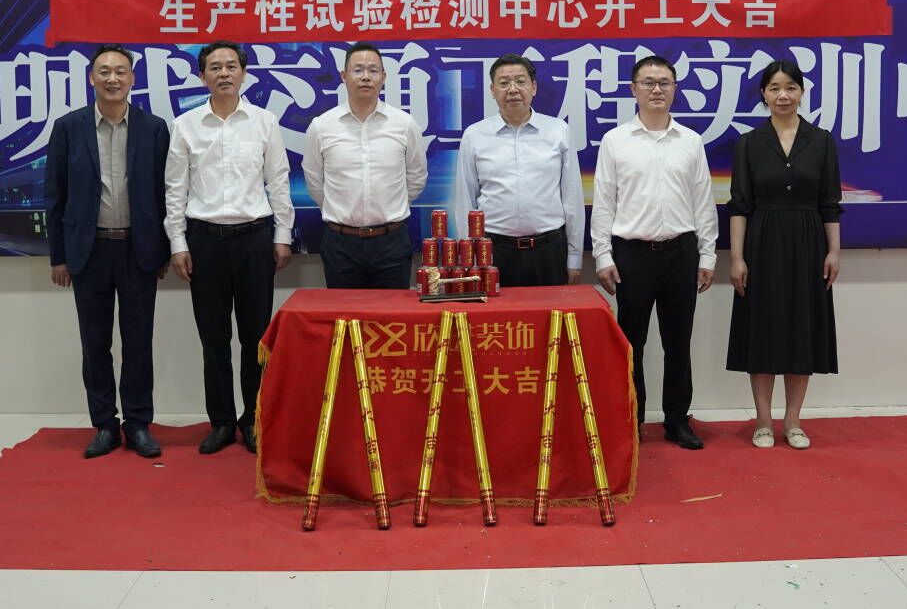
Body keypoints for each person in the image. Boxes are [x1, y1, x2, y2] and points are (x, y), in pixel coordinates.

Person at [164, 40, 295, 455]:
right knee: (214, 338)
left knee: (256, 338)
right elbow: (175, 190)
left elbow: (278, 181)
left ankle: (253, 419)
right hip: (204, 242)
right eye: (215, 67)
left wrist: (282, 235)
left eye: (231, 66)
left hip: (254, 239)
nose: (224, 73)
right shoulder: (185, 125)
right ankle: (221, 421)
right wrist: (178, 242)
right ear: (202, 75)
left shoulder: (264, 122)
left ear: (243, 73)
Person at [45, 44, 170, 459]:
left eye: (120, 71)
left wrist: (163, 250)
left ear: (132, 79)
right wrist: (58, 256)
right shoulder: (68, 128)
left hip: (138, 250)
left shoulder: (154, 128)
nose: (112, 78)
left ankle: (138, 423)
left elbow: (165, 194)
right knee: (94, 342)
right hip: (89, 251)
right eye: (104, 71)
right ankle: (103, 424)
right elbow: (55, 195)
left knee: (139, 342)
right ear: (91, 78)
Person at [591, 55, 717, 449]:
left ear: (675, 89)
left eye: (664, 82)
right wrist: (602, 256)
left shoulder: (690, 141)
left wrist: (707, 256)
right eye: (648, 82)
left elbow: (703, 202)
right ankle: (632, 419)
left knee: (678, 343)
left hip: (681, 253)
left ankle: (677, 420)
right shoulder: (615, 141)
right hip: (632, 255)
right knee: (632, 343)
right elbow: (604, 202)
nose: (656, 89)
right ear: (634, 90)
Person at [726, 59, 842, 450]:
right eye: (774, 88)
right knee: (762, 331)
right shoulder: (749, 143)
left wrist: (833, 252)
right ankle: (763, 421)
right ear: (763, 94)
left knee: (801, 332)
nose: (783, 95)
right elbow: (739, 205)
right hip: (761, 244)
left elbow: (830, 203)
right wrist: (737, 258)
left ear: (802, 92)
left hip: (809, 245)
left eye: (790, 87)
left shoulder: (821, 141)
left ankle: (793, 421)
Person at [302, 42, 427, 288]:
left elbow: (416, 177)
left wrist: (392, 208)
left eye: (373, 70)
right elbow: (314, 181)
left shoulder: (404, 124)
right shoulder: (322, 126)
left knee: (392, 312)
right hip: (340, 244)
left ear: (384, 77)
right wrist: (340, 211)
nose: (366, 77)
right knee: (344, 312)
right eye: (358, 70)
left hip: (392, 242)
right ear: (344, 76)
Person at [453, 54, 584, 286]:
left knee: (550, 309)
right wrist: (469, 258)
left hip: (548, 250)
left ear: (534, 87)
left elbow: (572, 198)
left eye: (520, 82)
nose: (513, 89)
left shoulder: (558, 131)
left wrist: (574, 257)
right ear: (492, 90)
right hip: (493, 251)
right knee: (498, 311)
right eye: (504, 83)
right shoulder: (475, 135)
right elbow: (465, 200)